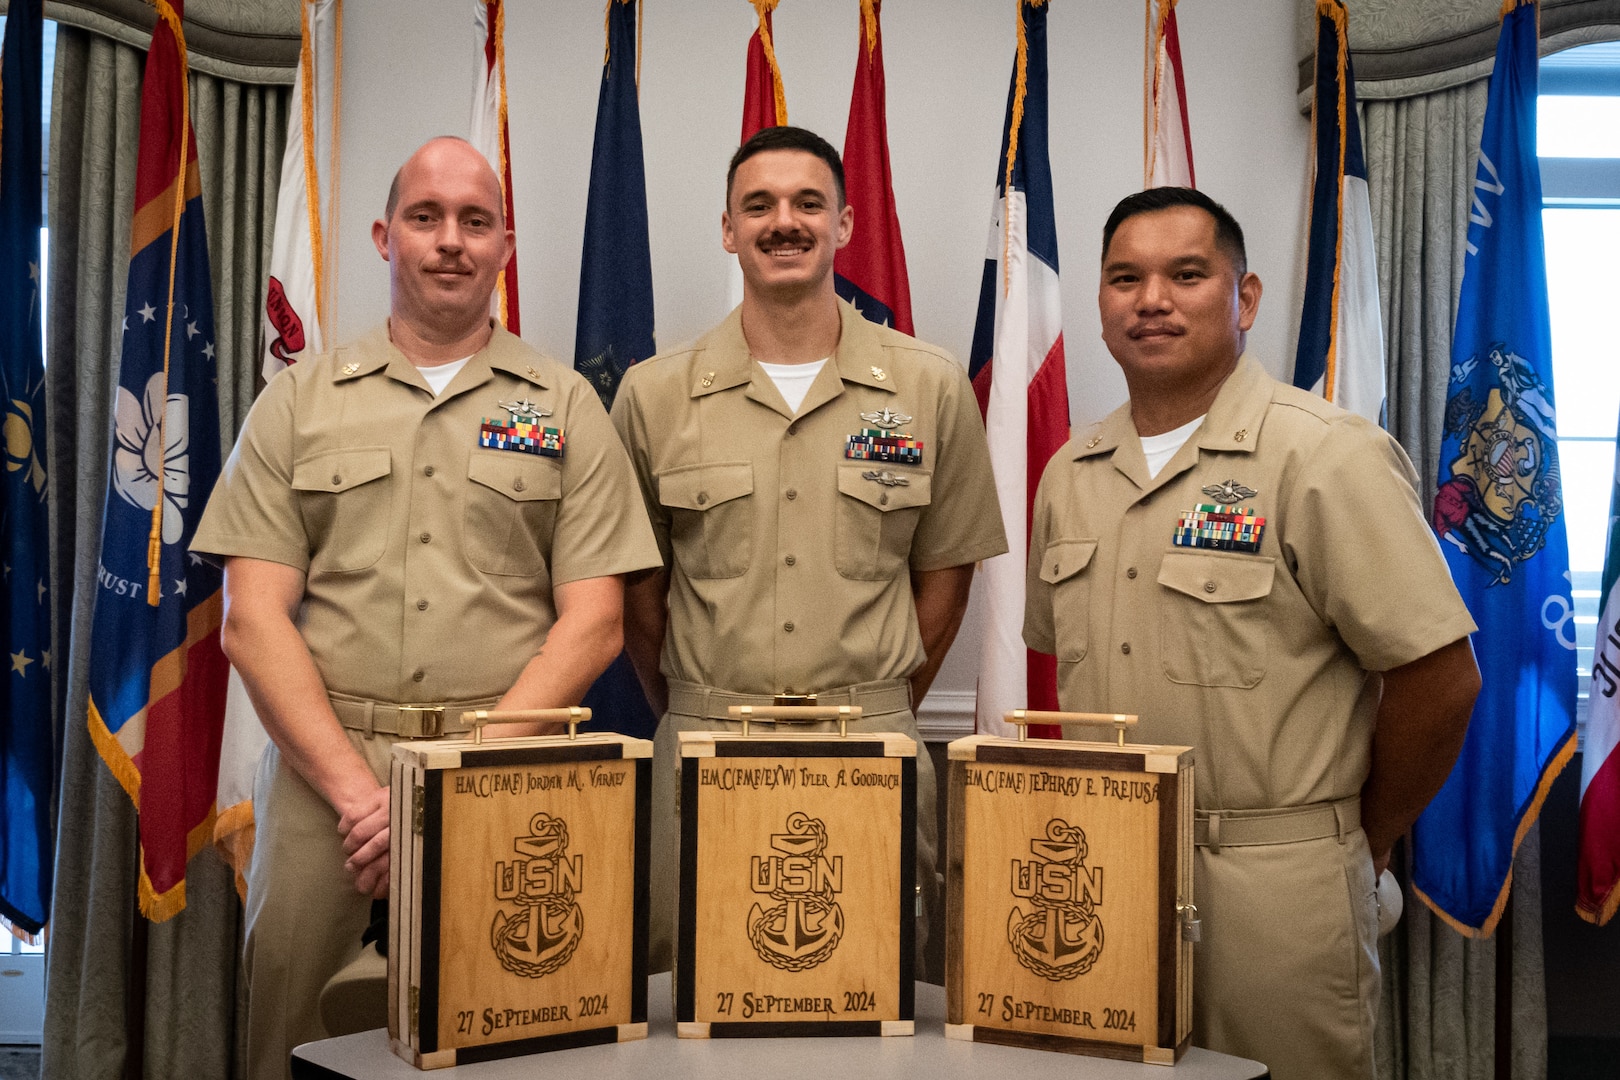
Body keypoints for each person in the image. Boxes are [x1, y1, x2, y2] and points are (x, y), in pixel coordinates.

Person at [192, 136, 660, 1079]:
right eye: (426, 216)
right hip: (328, 788)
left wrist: (450, 785)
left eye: (475, 221)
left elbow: (597, 621)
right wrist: (371, 802)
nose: (451, 240)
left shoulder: (567, 407)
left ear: (505, 246)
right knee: (294, 1044)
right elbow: (253, 619)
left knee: (504, 1046)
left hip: (506, 777)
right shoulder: (297, 402)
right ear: (384, 236)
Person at [1023, 187, 1480, 1080]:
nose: (1151, 298)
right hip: (1103, 876)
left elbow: (1441, 678)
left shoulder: (1324, 455)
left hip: (1274, 888)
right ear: (1103, 304)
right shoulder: (1071, 473)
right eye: (1126, 278)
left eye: (1186, 274)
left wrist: (1359, 837)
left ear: (1247, 298)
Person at [612, 126, 1007, 973]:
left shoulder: (928, 385)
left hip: (872, 745)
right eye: (759, 205)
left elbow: (948, 577)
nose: (783, 221)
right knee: (693, 1004)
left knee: (875, 1003)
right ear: (727, 228)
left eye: (806, 203)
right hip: (705, 745)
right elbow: (639, 594)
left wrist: (882, 702)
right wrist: (689, 702)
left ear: (846, 223)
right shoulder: (654, 395)